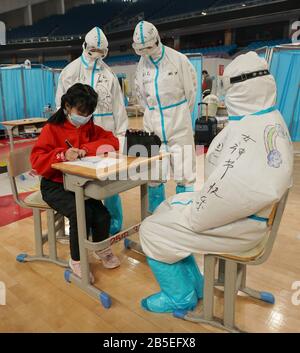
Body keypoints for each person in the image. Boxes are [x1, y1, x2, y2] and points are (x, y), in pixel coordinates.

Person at [139, 51, 294, 313]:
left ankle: (180, 296)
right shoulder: (265, 119)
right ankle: (196, 284)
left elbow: (225, 196)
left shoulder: (251, 131)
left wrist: (192, 211)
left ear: (240, 89)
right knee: (168, 206)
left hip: (242, 224)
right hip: (245, 215)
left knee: (151, 230)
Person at [31, 83, 121, 282]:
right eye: (81, 112)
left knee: (102, 215)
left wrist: (85, 150)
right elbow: (37, 161)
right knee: (81, 214)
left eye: (89, 113)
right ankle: (77, 260)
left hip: (78, 183)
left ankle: (100, 248)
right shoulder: (51, 129)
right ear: (66, 106)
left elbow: (113, 141)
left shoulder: (87, 126)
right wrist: (62, 154)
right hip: (54, 185)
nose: (85, 117)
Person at [56, 26, 128, 235]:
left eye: (101, 53)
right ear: (85, 47)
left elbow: (119, 108)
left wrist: (121, 136)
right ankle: (85, 223)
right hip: (78, 139)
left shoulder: (109, 75)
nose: (96, 56)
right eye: (93, 51)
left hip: (105, 138)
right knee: (83, 183)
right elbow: (62, 107)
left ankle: (112, 224)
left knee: (110, 184)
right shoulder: (70, 72)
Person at [133, 21, 198, 213]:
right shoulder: (141, 66)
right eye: (140, 49)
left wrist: (179, 117)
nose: (145, 52)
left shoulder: (177, 60)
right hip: (153, 128)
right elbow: (142, 97)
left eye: (148, 47)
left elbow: (191, 93)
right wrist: (153, 116)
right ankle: (156, 215)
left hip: (179, 125)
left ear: (157, 40)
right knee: (154, 174)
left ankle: (183, 215)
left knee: (184, 172)